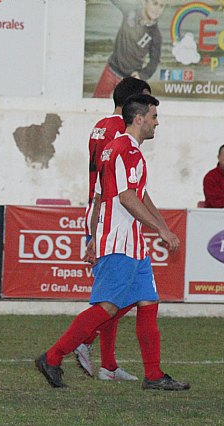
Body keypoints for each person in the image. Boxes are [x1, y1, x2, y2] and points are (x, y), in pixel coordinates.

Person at [36, 94, 190, 391]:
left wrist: (162, 226)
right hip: (120, 240)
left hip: (130, 242)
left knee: (148, 304)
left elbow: (131, 194)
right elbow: (127, 197)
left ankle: (154, 375)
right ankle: (53, 357)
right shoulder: (127, 150)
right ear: (139, 118)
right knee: (106, 307)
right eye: (154, 116)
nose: (157, 122)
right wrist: (159, 230)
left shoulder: (114, 148)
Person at [75, 76, 151, 382]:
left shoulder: (100, 126)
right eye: (145, 101)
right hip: (113, 215)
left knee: (120, 293)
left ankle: (108, 364)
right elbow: (113, 183)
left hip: (103, 211)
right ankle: (85, 339)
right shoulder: (121, 130)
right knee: (116, 295)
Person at [93, 0, 165, 98]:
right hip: (111, 70)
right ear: (145, 2)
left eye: (161, 6)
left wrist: (142, 75)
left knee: (127, 111)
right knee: (97, 102)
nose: (157, 9)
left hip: (129, 80)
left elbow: (155, 61)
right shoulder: (131, 11)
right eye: (155, 3)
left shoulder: (156, 35)